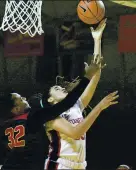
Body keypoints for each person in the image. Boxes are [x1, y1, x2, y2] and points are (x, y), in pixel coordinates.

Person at [0, 60, 102, 170]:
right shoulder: (33, 118)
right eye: (21, 99)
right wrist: (87, 77)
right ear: (16, 108)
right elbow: (67, 103)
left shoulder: (4, 127)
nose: (25, 97)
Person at [42, 18, 118, 169]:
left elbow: (96, 74)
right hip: (59, 165)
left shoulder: (75, 106)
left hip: (80, 165)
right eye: (56, 89)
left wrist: (97, 40)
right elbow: (76, 133)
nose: (61, 87)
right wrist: (99, 107)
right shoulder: (50, 117)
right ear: (51, 99)